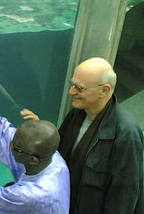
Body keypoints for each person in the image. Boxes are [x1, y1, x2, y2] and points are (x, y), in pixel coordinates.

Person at [26, 57, 143, 213]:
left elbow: (124, 198)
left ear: (105, 90)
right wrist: (42, 132)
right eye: (72, 84)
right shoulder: (76, 114)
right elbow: (58, 155)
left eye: (79, 88)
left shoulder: (126, 134)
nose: (71, 92)